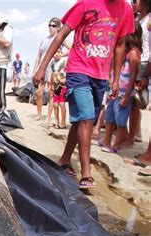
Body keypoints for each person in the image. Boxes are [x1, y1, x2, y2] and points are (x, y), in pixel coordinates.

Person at [33, 0, 135, 189]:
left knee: (82, 119)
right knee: (87, 118)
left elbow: (120, 44)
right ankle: (86, 173)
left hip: (101, 75)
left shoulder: (126, 9)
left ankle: (64, 160)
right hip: (78, 70)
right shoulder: (86, 4)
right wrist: (42, 67)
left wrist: (115, 78)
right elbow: (62, 34)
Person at [101, 24, 141, 153]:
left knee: (121, 120)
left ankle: (116, 145)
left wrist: (127, 95)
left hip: (124, 92)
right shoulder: (123, 51)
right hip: (115, 91)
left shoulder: (133, 53)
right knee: (109, 117)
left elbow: (133, 75)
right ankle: (106, 141)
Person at [33, 17, 71, 122]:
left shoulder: (60, 38)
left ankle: (49, 117)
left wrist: (62, 54)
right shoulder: (45, 39)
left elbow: (72, 48)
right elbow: (38, 55)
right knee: (38, 92)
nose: (50, 27)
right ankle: (39, 114)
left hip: (54, 68)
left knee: (51, 93)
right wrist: (35, 69)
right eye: (49, 25)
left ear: (58, 27)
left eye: (53, 26)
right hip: (43, 68)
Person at [124, 0, 151, 147]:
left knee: (135, 102)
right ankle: (134, 134)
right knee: (134, 101)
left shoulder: (149, 20)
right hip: (139, 62)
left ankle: (131, 138)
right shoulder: (138, 19)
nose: (133, 2)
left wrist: (146, 74)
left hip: (144, 63)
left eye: (135, 1)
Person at [48, 49, 68, 128]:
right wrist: (51, 86)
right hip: (55, 85)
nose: (56, 54)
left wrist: (65, 79)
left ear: (61, 53)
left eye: (58, 52)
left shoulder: (64, 60)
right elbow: (52, 74)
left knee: (62, 104)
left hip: (62, 85)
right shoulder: (52, 63)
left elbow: (68, 71)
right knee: (55, 104)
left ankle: (63, 122)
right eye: (54, 52)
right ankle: (57, 120)